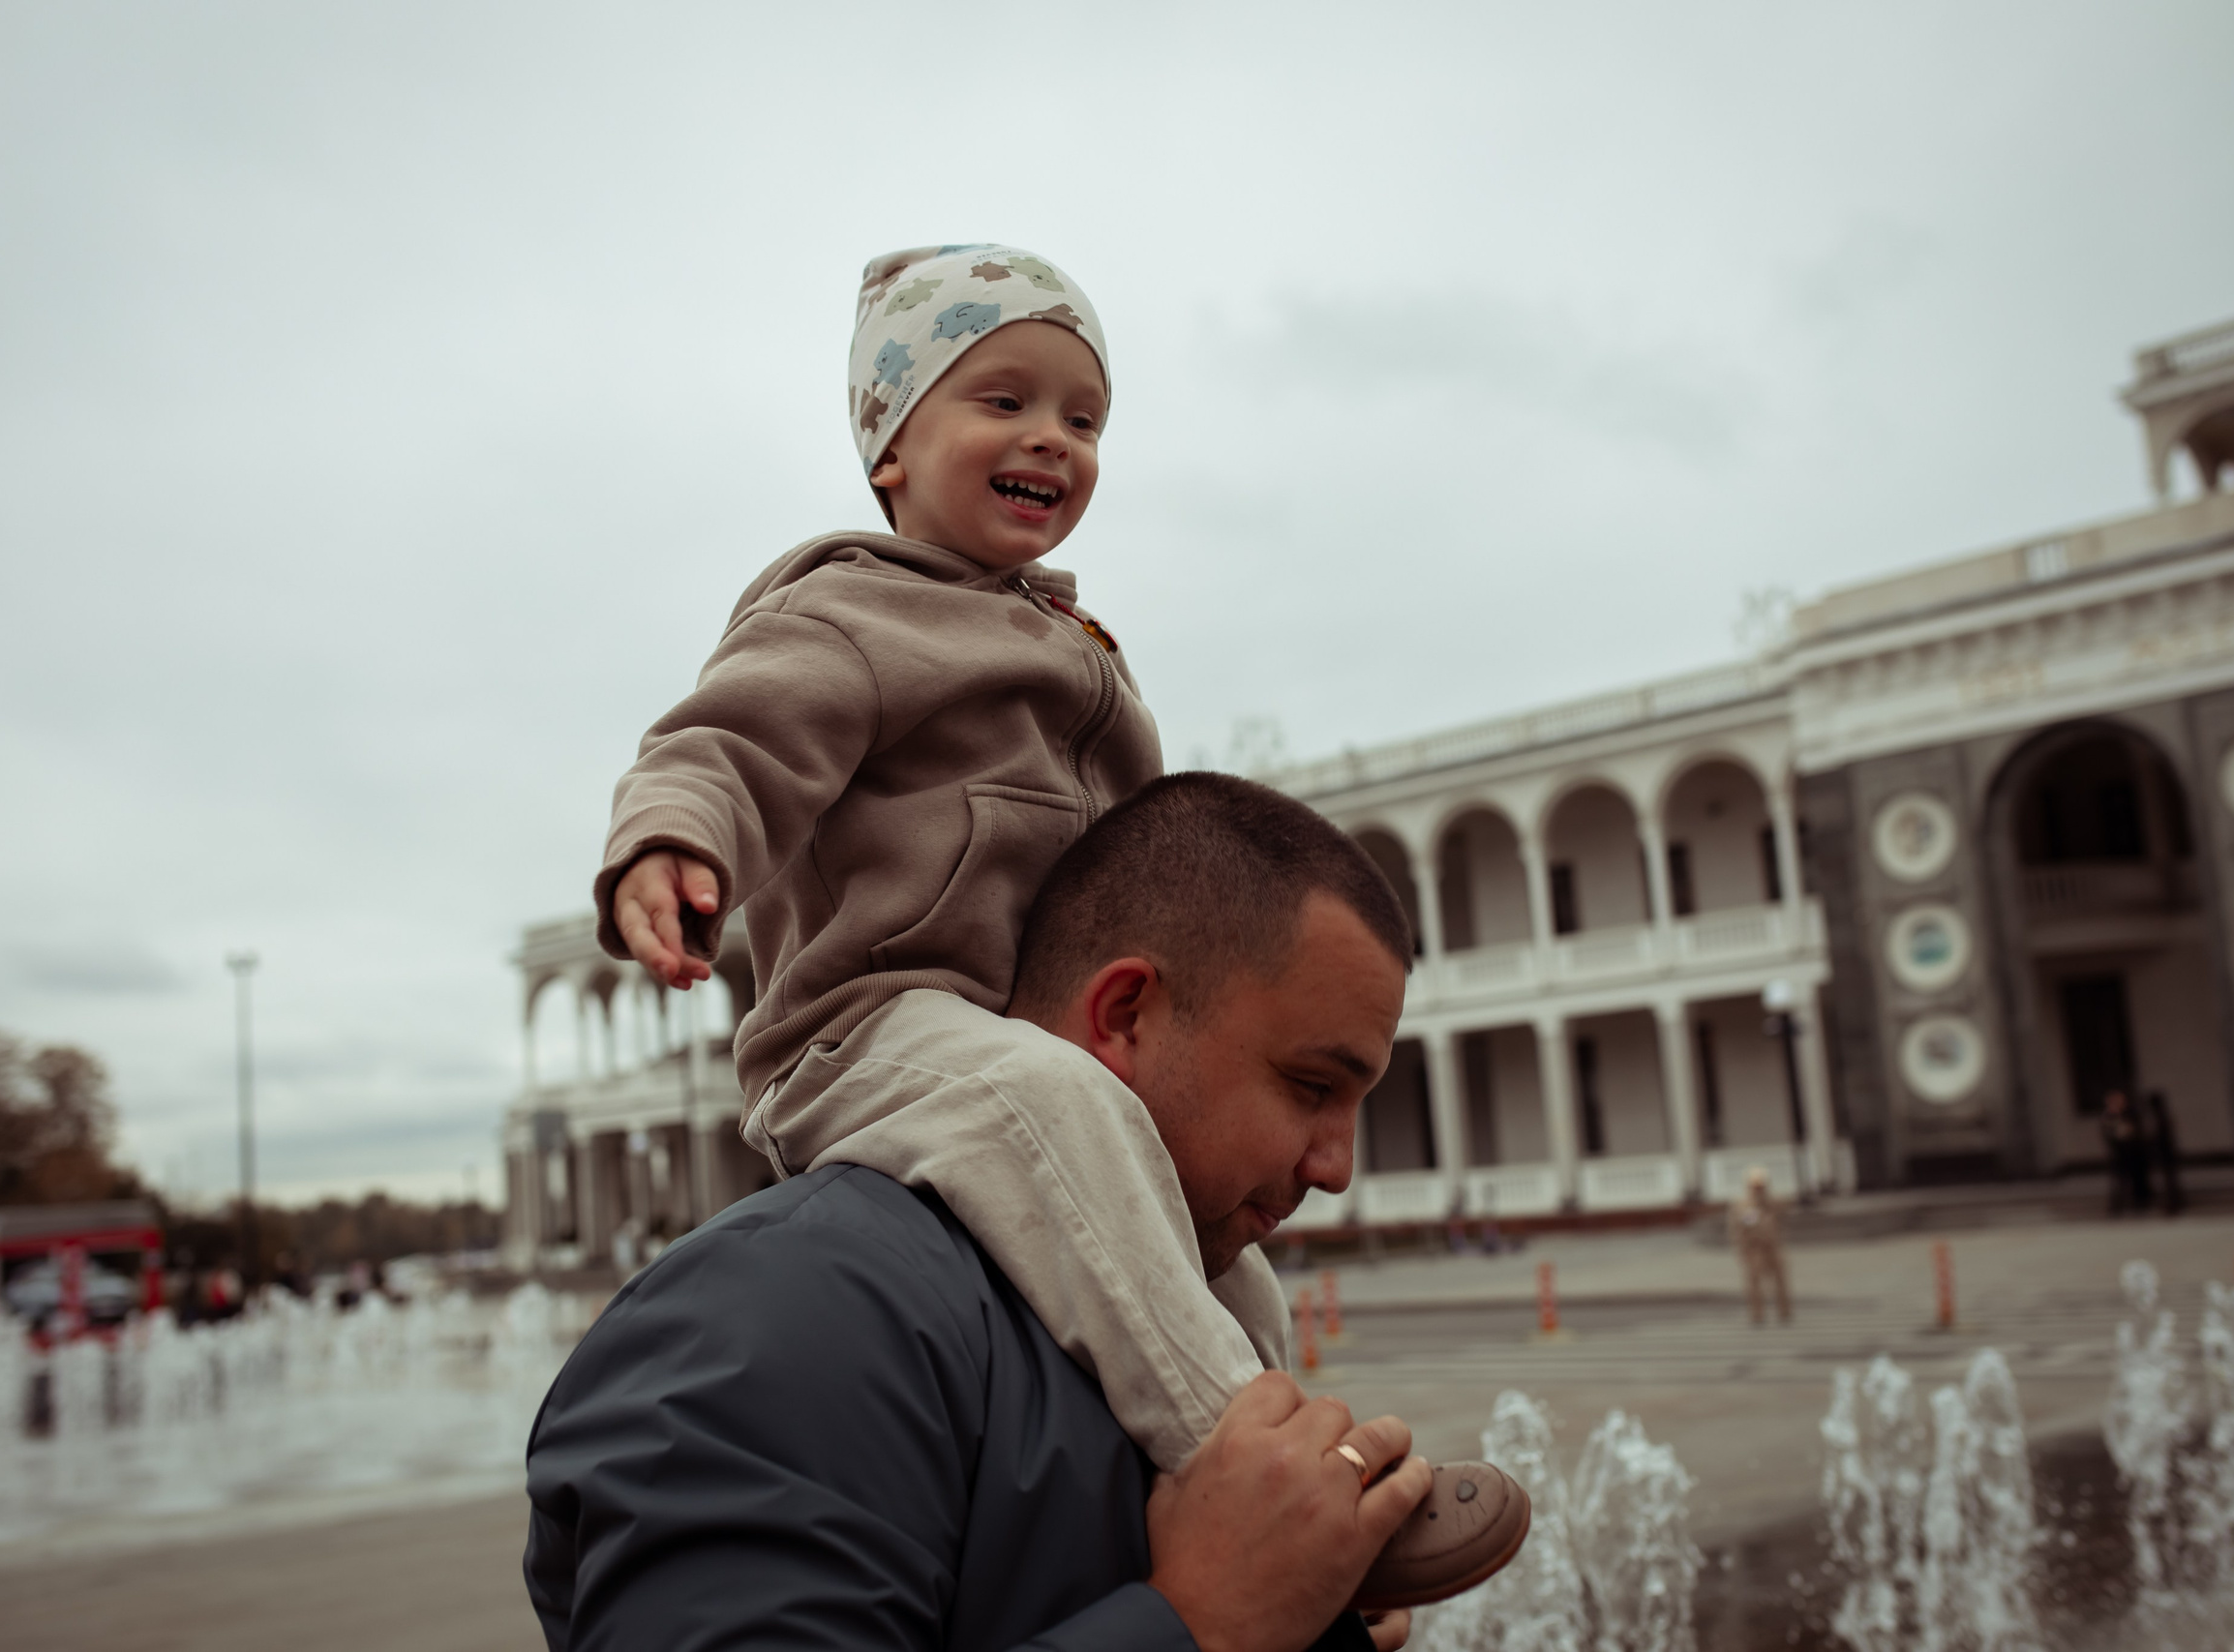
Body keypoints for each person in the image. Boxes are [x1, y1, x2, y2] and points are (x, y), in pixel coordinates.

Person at [589, 246, 1497, 1582]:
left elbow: (1151, 860)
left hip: (1013, 1041)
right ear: (890, 447)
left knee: (1223, 1253)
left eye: (1084, 417)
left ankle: (1310, 1475)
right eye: (1003, 399)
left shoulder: (1082, 655)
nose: (1050, 438)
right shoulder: (845, 611)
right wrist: (666, 838)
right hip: (872, 1031)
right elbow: (723, 741)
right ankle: (1241, 1473)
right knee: (1063, 1113)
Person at [528, 775, 1532, 1651]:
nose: (1338, 1167)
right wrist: (1198, 1626)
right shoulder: (780, 1314)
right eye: (1311, 1085)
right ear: (1123, 1014)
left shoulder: (1174, 1311)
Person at [1728, 1165, 1790, 1327]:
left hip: (1772, 1246)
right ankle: (1757, 1314)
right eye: (1756, 1187)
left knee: (1780, 1280)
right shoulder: (1743, 1205)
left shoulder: (1771, 1203)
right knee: (1754, 1284)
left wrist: (1766, 1201)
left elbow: (1785, 1208)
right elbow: (1737, 1229)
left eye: (1761, 1186)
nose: (1759, 1190)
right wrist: (1741, 1250)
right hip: (1754, 1248)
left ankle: (1784, 1312)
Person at [2100, 1090, 2149, 1216]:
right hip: (2118, 1154)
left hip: (2133, 1152)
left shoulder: (2131, 1113)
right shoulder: (2108, 1115)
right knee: (2119, 1180)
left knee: (2137, 1178)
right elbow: (2107, 1133)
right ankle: (2118, 1206)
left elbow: (2136, 1130)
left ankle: (2140, 1202)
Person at [2143, 1089, 2185, 1216]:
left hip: (2163, 1153)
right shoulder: (2162, 1116)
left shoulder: (2157, 1118)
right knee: (2168, 1179)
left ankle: (2172, 1204)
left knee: (2167, 1180)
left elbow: (2157, 1137)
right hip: (2165, 1153)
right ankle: (2173, 1202)